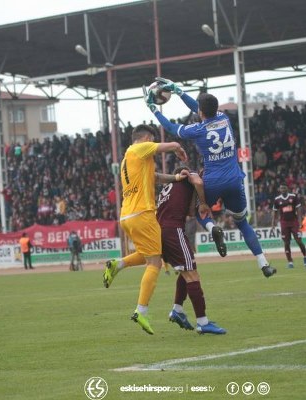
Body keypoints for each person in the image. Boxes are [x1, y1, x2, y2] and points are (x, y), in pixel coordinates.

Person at [147, 77, 275, 278]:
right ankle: (263, 263)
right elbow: (200, 108)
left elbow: (172, 128)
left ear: (200, 111)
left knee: (198, 210)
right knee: (242, 223)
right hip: (234, 179)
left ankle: (213, 227)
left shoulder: (198, 130)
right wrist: (179, 91)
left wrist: (153, 109)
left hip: (212, 181)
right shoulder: (224, 118)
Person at [105, 166, 226, 335]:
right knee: (192, 274)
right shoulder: (189, 177)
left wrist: (196, 199)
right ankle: (202, 322)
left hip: (159, 230)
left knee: (185, 270)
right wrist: (204, 202)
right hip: (173, 230)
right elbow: (198, 181)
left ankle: (177, 310)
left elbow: (190, 211)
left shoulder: (169, 188)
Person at [103, 124, 188, 335]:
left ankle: (118, 264)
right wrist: (178, 146)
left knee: (148, 254)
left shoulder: (128, 160)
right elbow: (167, 146)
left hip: (127, 215)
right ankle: (141, 310)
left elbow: (155, 178)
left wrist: (176, 179)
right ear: (146, 138)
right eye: (151, 139)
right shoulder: (138, 149)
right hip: (143, 213)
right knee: (155, 262)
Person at [271, 184, 306, 268]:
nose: (283, 190)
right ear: (279, 190)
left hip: (294, 222)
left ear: (287, 189)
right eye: (281, 188)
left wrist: (300, 221)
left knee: (298, 240)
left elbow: (298, 209)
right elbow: (274, 211)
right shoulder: (277, 200)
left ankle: (305, 256)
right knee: (286, 243)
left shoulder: (293, 196)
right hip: (284, 223)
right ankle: (290, 261)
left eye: (284, 188)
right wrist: (273, 224)